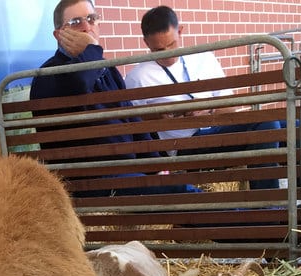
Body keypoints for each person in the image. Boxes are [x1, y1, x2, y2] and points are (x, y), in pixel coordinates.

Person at [29, 0, 197, 196]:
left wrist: (158, 165)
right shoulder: (49, 74)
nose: (87, 27)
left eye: (92, 19)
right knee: (186, 195)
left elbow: (131, 119)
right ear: (59, 34)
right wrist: (91, 47)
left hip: (125, 174)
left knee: (182, 189)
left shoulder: (106, 67)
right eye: (75, 22)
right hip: (89, 181)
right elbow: (80, 83)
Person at [125, 6, 285, 191]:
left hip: (215, 129)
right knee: (266, 126)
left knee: (295, 126)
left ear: (180, 31)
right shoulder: (137, 76)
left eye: (171, 45)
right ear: (146, 43)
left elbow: (229, 109)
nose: (167, 55)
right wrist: (162, 117)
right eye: (158, 50)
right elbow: (133, 126)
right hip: (184, 144)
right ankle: (268, 209)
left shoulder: (204, 57)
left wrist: (207, 110)